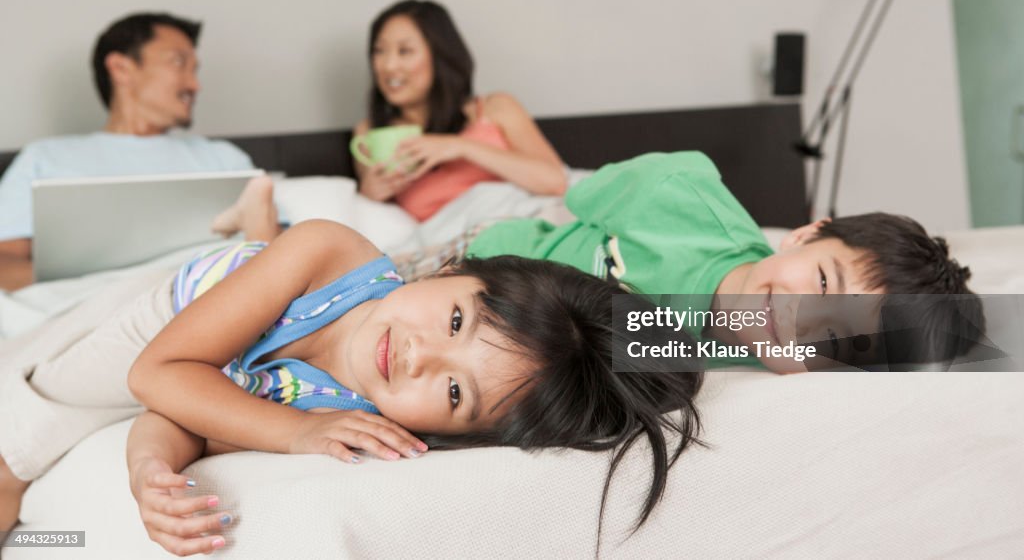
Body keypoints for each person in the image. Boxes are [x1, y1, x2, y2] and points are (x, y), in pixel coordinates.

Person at [0, 219, 702, 555]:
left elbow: (185, 414)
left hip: (185, 370)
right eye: (456, 318)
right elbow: (157, 374)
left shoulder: (362, 413)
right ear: (457, 273)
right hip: (156, 321)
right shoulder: (328, 252)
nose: (422, 358)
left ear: (452, 435)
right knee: (18, 450)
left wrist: (149, 467)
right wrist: (296, 433)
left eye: (456, 395)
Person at [397, 151, 985, 372]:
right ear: (805, 234)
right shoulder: (678, 188)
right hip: (479, 250)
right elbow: (573, 195)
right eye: (823, 281)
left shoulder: (747, 363)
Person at [0, 12, 255, 291]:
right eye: (179, 63)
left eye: (195, 70)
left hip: (206, 304)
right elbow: (5, 263)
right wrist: (112, 287)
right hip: (92, 313)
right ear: (121, 69)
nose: (195, 85)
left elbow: (273, 253)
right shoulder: (44, 159)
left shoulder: (225, 160)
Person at [354, 0, 567, 220]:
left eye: (405, 51)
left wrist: (461, 147)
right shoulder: (370, 134)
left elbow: (555, 182)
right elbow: (379, 223)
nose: (389, 66)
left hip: (524, 223)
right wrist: (368, 194)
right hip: (456, 246)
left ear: (440, 56)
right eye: (379, 51)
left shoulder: (495, 108)